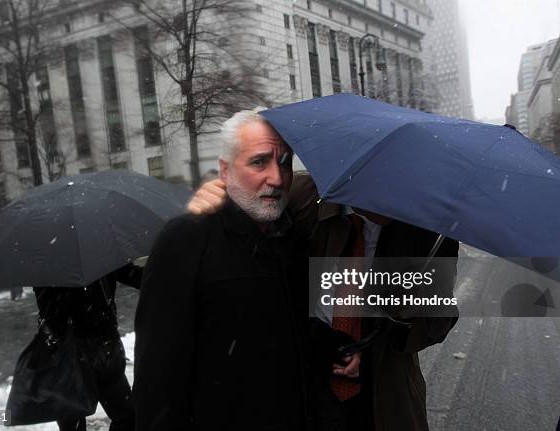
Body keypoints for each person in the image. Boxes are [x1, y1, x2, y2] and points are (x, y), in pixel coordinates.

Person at [188, 172, 459, 431]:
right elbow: (238, 258)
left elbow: (440, 318)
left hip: (385, 393)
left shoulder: (429, 227)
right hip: (306, 378)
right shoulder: (301, 197)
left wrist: (404, 315)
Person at [133, 108, 313, 430]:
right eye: (259, 162)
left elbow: (295, 329)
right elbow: (157, 375)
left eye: (284, 162)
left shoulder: (293, 236)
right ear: (225, 172)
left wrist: (333, 349)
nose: (276, 177)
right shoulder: (187, 238)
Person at [34, 263, 142, 431]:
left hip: (95, 353)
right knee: (123, 417)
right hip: (77, 356)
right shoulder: (97, 251)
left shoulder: (46, 259)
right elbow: (49, 312)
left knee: (126, 417)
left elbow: (136, 276)